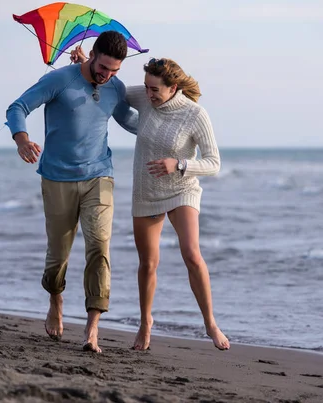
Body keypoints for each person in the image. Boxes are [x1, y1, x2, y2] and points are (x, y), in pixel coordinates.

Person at [5, 31, 138, 353]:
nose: (107, 75)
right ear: (92, 55)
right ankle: (56, 299)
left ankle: (92, 328)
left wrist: (166, 117)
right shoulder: (60, 80)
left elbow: (130, 122)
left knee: (98, 245)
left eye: (115, 71)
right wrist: (22, 140)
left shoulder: (114, 88)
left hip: (99, 175)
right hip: (57, 178)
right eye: (104, 67)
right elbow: (17, 107)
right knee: (58, 257)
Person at [125, 58, 230, 351]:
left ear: (173, 88)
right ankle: (146, 323)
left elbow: (213, 163)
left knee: (191, 253)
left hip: (182, 189)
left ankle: (210, 323)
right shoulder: (143, 98)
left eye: (155, 89)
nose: (148, 95)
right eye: (146, 88)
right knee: (148, 263)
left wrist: (179, 164)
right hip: (146, 190)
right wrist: (86, 64)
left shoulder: (194, 114)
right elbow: (112, 87)